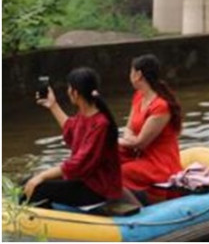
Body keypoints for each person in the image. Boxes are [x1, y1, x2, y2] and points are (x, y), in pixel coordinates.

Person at [23, 67, 122, 207]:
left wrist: (43, 175)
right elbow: (71, 129)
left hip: (97, 189)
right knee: (26, 181)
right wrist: (53, 105)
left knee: (38, 188)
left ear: (75, 93)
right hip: (83, 180)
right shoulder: (84, 115)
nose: (68, 92)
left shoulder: (101, 124)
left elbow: (78, 163)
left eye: (69, 88)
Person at [119, 54, 182, 203]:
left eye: (131, 71)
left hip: (159, 163)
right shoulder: (139, 96)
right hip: (139, 153)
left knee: (119, 172)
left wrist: (119, 141)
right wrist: (126, 139)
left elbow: (141, 143)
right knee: (107, 159)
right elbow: (128, 129)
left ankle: (136, 206)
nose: (129, 76)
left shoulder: (161, 106)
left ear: (138, 75)